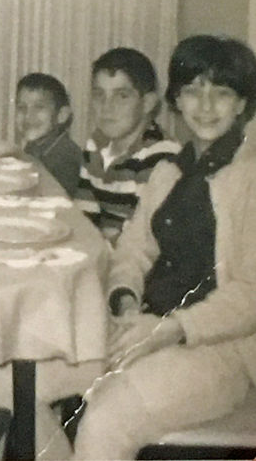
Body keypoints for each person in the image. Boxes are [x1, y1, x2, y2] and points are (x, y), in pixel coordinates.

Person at [73, 35, 256, 459]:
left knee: (105, 421)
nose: (205, 107)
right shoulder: (172, 170)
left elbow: (250, 295)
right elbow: (132, 251)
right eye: (193, 91)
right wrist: (125, 302)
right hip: (147, 327)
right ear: (176, 99)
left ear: (243, 104)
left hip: (218, 352)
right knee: (18, 381)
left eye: (222, 93)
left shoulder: (250, 178)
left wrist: (167, 330)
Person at [75, 48, 180, 242]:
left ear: (148, 103)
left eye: (122, 96)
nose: (107, 107)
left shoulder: (161, 157)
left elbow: (141, 241)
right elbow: (84, 215)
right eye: (99, 95)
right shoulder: (95, 144)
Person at [15, 72, 81, 196]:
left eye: (39, 107)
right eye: (21, 107)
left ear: (62, 115)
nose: (28, 116)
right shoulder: (35, 145)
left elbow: (57, 204)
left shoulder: (65, 159)